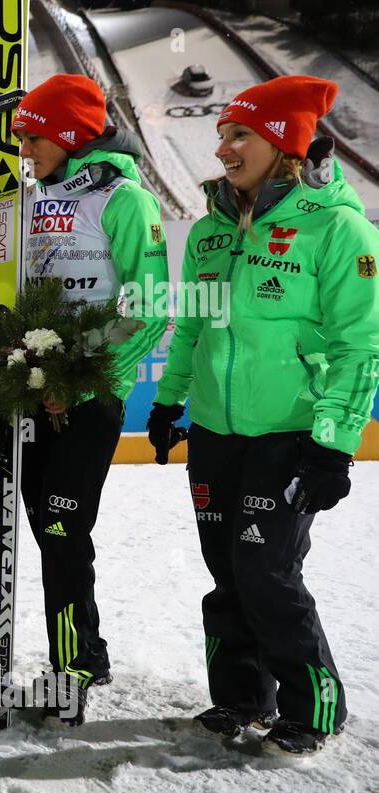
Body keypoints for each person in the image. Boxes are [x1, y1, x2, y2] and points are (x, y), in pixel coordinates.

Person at [148, 75, 379, 754]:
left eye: (239, 134)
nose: (222, 148)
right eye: (221, 134)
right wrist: (169, 402)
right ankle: (240, 700)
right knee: (226, 571)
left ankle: (316, 707)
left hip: (289, 433)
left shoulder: (337, 227)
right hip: (217, 433)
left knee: (266, 572)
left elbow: (359, 348)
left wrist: (333, 444)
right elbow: (192, 328)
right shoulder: (213, 231)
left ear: (284, 144)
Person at [11, 74, 170, 723]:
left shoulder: (126, 199)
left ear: (72, 134)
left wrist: (78, 378)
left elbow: (151, 307)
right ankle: (88, 651)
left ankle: (70, 672)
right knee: (53, 535)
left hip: (91, 396)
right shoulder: (29, 200)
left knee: (61, 527)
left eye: (34, 136)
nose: (25, 150)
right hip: (32, 394)